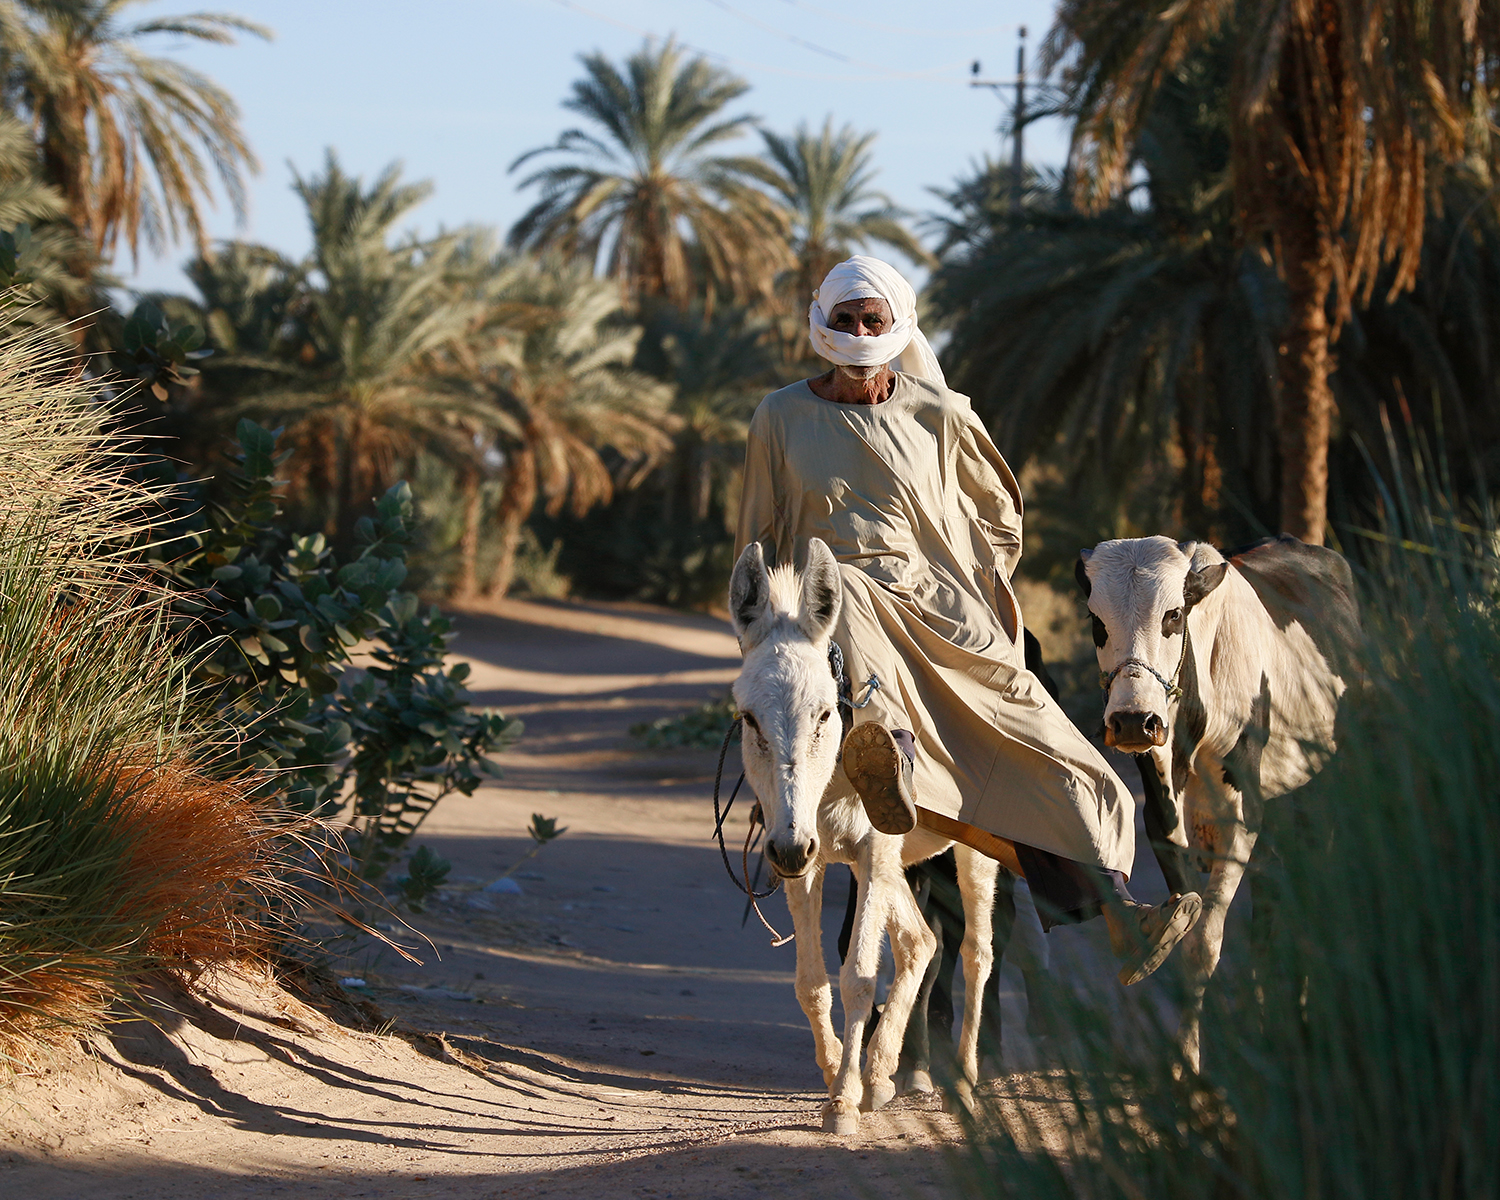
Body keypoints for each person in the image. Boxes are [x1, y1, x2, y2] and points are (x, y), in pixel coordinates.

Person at [734, 254, 1201, 984]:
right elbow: (758, 542)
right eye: (844, 319)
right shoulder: (780, 415)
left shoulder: (939, 412)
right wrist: (768, 639)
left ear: (896, 327)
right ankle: (882, 748)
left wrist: (971, 576)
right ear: (821, 324)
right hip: (835, 611)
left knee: (1052, 745)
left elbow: (1000, 514)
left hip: (938, 607)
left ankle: (1119, 908)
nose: (858, 332)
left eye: (872, 319)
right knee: (846, 590)